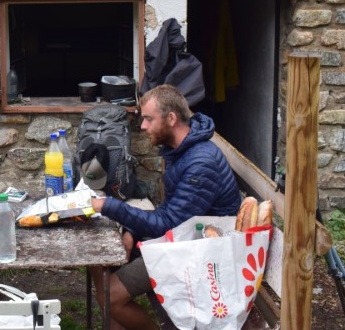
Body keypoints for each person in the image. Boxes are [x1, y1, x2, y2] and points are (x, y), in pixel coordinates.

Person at [89, 84, 242, 329]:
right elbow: (172, 215)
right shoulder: (180, 150)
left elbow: (170, 223)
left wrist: (108, 206)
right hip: (185, 241)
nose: (142, 126)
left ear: (171, 118)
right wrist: (132, 230)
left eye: (149, 119)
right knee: (103, 264)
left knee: (111, 294)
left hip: (203, 255)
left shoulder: (200, 163)